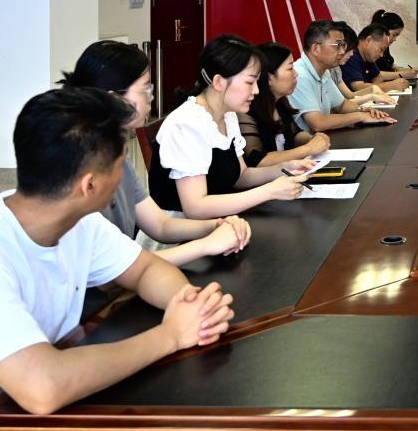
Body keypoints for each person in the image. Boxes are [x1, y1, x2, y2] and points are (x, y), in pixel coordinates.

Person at [0, 88, 235, 431]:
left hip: (11, 411)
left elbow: (144, 269)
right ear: (89, 185)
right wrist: (171, 335)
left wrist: (189, 305)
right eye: (121, 163)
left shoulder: (74, 220)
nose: (125, 174)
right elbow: (43, 388)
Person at [60, 41, 252, 264]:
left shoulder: (118, 158)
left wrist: (217, 225)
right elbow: (113, 271)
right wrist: (206, 245)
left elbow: (160, 225)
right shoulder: (80, 169)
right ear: (114, 99)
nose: (151, 97)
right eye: (145, 89)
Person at [148, 34, 311, 218]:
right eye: (249, 82)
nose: (256, 90)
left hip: (223, 221)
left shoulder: (228, 114)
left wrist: (284, 168)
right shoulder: (187, 123)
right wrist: (269, 191)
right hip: (183, 229)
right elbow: (195, 208)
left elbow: (241, 176)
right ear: (219, 82)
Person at [290, 20, 397, 133]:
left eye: (343, 45)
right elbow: (318, 123)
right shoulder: (299, 75)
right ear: (316, 49)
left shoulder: (324, 72)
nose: (342, 52)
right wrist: (360, 116)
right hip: (308, 142)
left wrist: (365, 110)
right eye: (337, 45)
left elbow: (342, 105)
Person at [237, 41, 332, 167]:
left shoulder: (280, 102)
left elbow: (294, 134)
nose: (296, 73)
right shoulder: (246, 112)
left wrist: (313, 139)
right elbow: (257, 160)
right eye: (290, 68)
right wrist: (308, 148)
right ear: (269, 77)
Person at [344, 23, 411, 93]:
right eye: (381, 49)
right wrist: (391, 85)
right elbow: (358, 87)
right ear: (368, 40)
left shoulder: (368, 57)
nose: (381, 55)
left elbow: (378, 77)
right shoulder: (350, 54)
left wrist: (379, 88)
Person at [371, 9, 418, 76]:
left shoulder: (385, 45)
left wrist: (405, 70)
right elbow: (374, 74)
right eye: (394, 35)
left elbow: (389, 66)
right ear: (384, 31)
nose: (395, 39)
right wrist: (403, 74)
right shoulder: (371, 47)